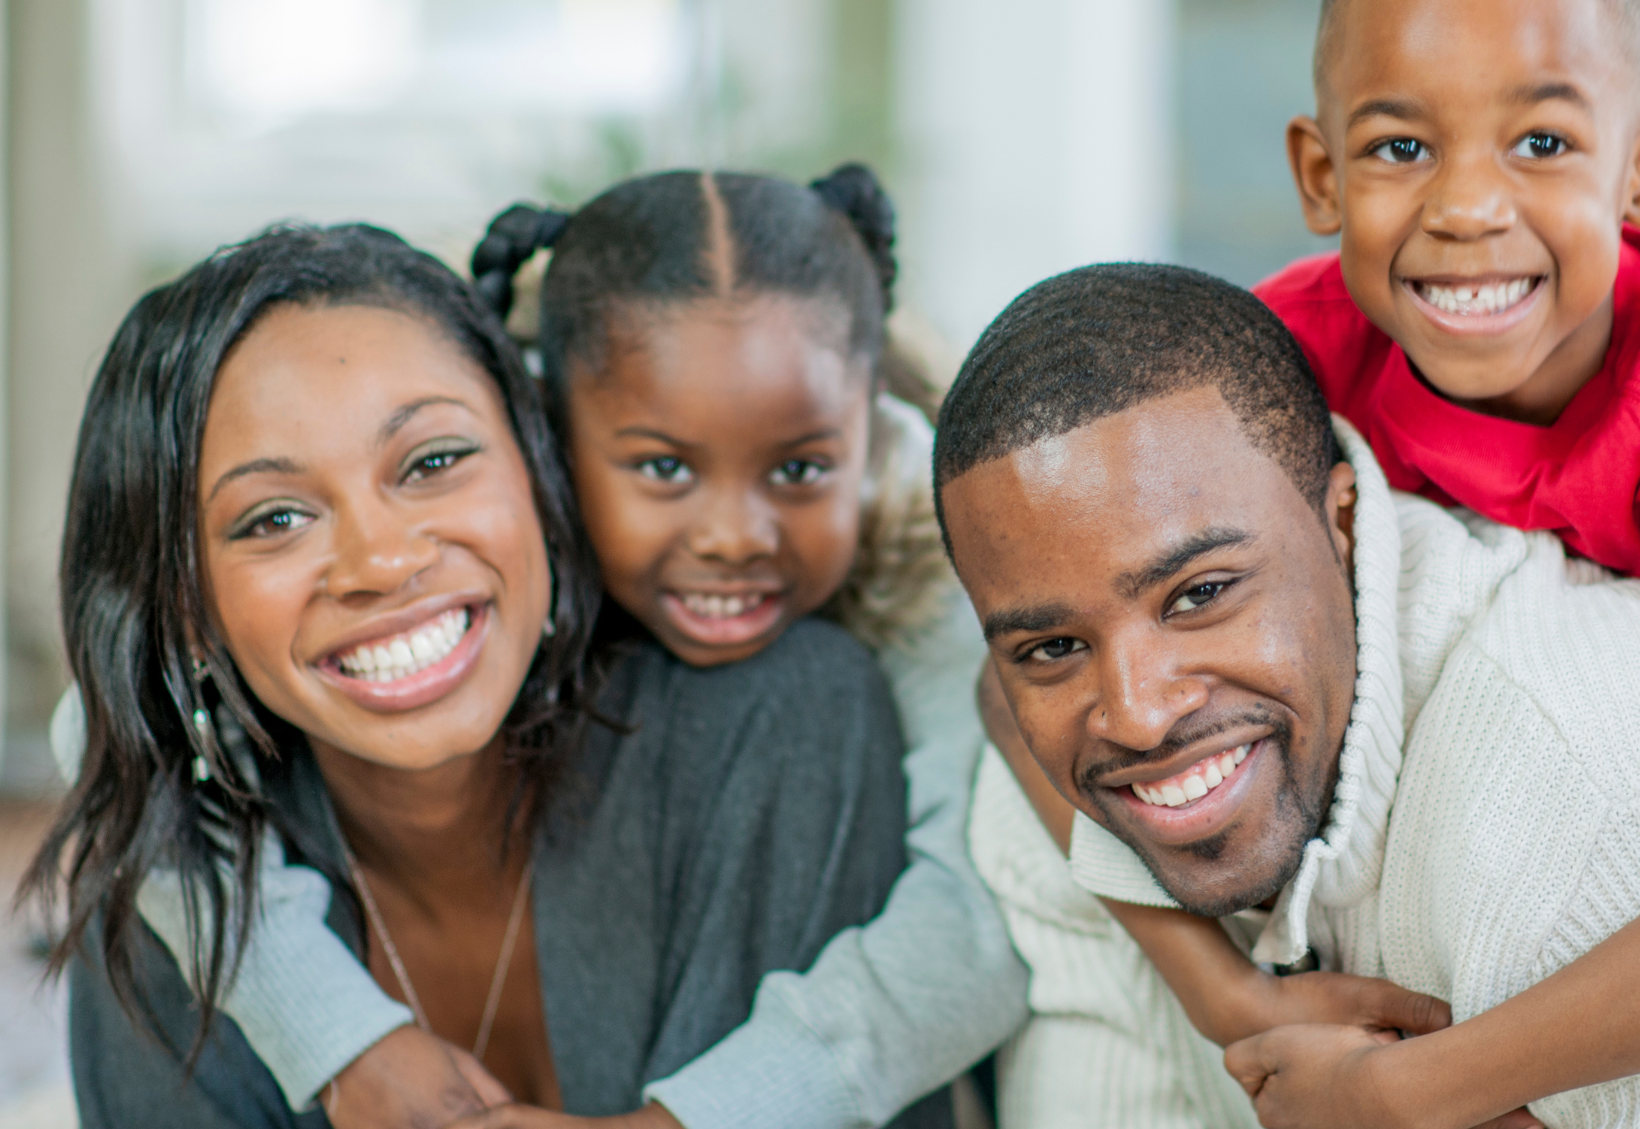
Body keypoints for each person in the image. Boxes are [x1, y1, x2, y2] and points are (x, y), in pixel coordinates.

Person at [1067, 0, 1640, 1102]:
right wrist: (1229, 996)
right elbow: (1031, 653)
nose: (1466, 207)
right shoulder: (1276, 367)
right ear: (1321, 177)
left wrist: (1408, 1094)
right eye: (1400, 148)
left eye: (1542, 142)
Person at [48, 166, 1026, 1129]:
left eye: (434, 459)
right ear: (181, 603)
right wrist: (338, 1041)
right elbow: (102, 723)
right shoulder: (166, 894)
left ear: (535, 461)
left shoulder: (804, 701)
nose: (383, 560)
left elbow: (986, 935)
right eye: (273, 518)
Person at [939, 263, 1640, 1128]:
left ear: (1340, 520)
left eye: (1201, 593)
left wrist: (1402, 1095)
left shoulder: (1605, 802)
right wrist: (1229, 997)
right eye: (1052, 647)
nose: (1133, 711)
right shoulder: (1252, 370)